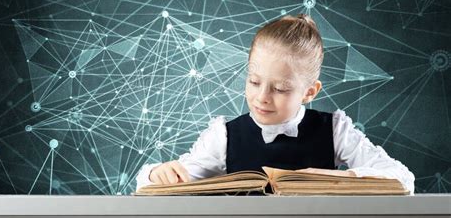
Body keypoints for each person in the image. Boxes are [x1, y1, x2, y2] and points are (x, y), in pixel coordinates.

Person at [135, 14, 415, 194]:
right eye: (254, 82)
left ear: (310, 91)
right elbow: (158, 184)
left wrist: (344, 179)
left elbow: (402, 179)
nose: (262, 97)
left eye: (280, 88)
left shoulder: (334, 130)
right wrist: (156, 173)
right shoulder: (223, 136)